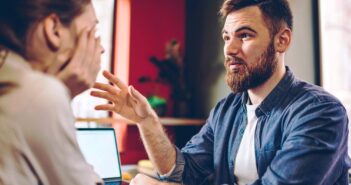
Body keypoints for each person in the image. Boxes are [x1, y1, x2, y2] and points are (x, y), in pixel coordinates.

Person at [91, 0, 351, 184]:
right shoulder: (227, 110)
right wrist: (147, 122)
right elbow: (184, 172)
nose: (229, 49)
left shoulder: (321, 112)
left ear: (281, 40)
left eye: (245, 36)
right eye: (227, 37)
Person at [0, 0, 104, 184]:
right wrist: (60, 94)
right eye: (93, 32)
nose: (101, 48)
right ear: (54, 29)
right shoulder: (40, 95)